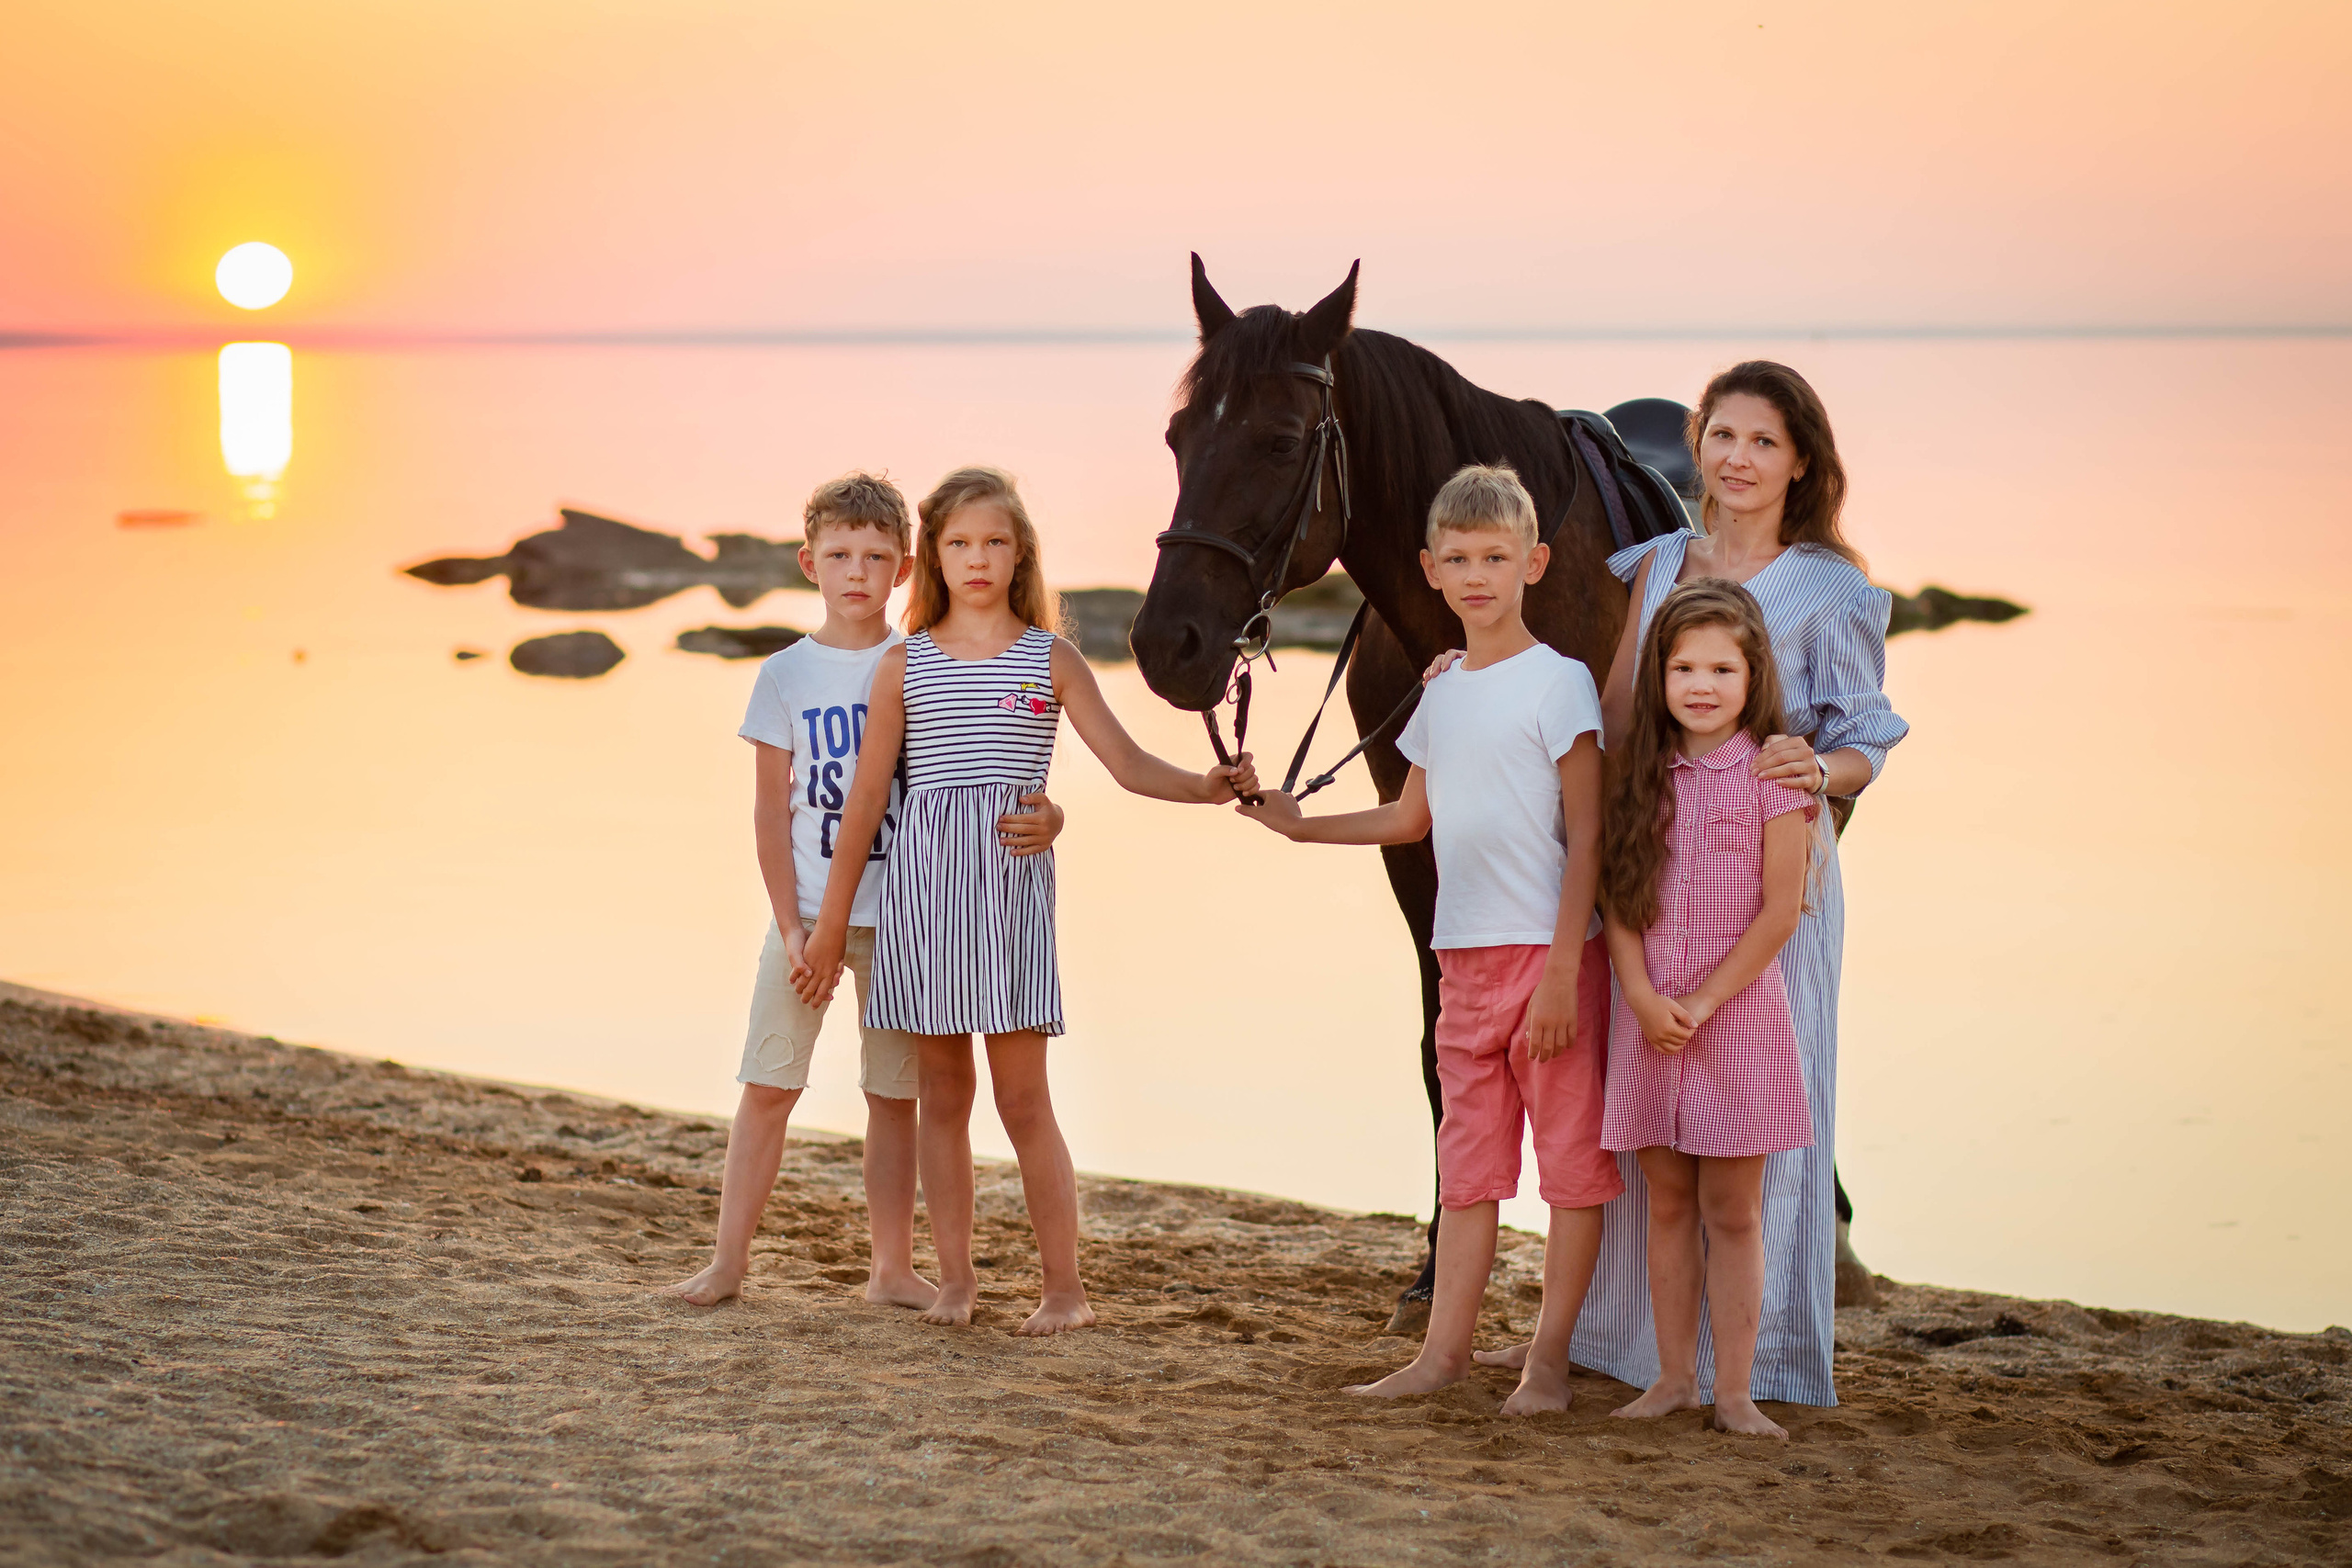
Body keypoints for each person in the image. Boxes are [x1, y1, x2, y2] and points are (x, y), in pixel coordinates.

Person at [1469, 360, 1910, 1406]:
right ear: (1698, 444)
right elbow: (1622, 710)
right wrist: (1483, 677)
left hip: (1772, 881)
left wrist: (1820, 768)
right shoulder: (1662, 561)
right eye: (1722, 435)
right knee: (1650, 1119)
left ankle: (1758, 1366)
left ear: (1800, 461)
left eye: (1764, 441)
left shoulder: (1833, 588)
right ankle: (1640, 1353)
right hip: (1655, 870)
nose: (1738, 459)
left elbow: (1865, 737)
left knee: (1757, 1128)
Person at [800, 466, 1254, 1336]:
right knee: (943, 1095)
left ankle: (1064, 1289)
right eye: (960, 542)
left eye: (995, 542)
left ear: (1021, 554)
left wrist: (1206, 786)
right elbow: (865, 803)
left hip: (1008, 896)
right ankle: (956, 1280)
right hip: (924, 899)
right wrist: (828, 925)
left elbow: (1127, 763)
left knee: (1023, 1101)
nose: (978, 558)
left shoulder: (1050, 657)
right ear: (935, 555)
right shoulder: (904, 662)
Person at [1237, 464, 1622, 1413]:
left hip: (1549, 959)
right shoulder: (1439, 693)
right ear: (1430, 570)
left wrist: (1564, 973)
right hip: (1463, 961)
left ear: (1533, 563)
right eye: (1458, 559)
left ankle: (1547, 1362)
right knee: (1468, 1172)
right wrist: (1300, 827)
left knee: (1570, 1172)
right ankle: (1442, 1354)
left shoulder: (1561, 684)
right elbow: (1410, 818)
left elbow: (1588, 838)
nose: (1476, 576)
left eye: (1495, 557)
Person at [668, 472, 1066, 1311]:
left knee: (894, 1098)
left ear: (904, 567)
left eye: (877, 557)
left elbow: (982, 764)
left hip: (909, 922)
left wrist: (1052, 812)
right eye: (840, 555)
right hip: (807, 917)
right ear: (808, 562)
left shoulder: (922, 661)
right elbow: (770, 813)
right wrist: (793, 927)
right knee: (769, 1085)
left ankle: (890, 1267)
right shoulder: (785, 674)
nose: (857, 572)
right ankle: (728, 1260)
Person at [1599, 580, 1816, 1438]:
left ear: (1752, 675)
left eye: (1722, 668)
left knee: (1732, 1211)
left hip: (1739, 1024)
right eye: (1684, 667)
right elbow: (1618, 898)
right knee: (1666, 1204)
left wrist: (1703, 999)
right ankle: (1672, 1378)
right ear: (1659, 675)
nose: (1701, 684)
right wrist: (1641, 995)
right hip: (1650, 1021)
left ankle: (1734, 1391)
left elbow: (1781, 911)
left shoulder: (1774, 776)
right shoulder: (1637, 775)